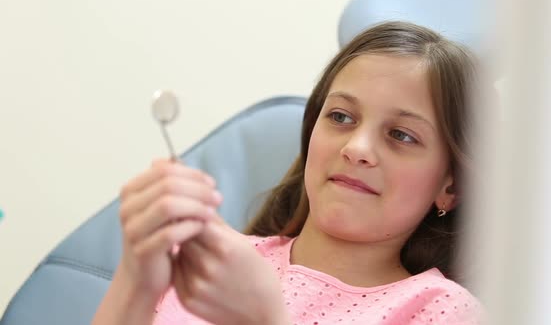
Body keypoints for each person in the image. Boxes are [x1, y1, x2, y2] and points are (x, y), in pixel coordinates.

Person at [92, 21, 484, 325]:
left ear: (451, 187)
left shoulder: (442, 310)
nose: (357, 148)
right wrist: (136, 277)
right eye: (341, 117)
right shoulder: (211, 264)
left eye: (401, 135)